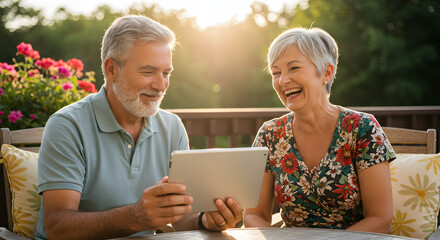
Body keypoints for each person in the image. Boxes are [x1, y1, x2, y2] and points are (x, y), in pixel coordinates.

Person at [34, 15, 242, 240]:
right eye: (148, 72)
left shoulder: (172, 127)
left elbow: (182, 219)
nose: (160, 85)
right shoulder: (68, 126)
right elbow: (57, 227)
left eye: (166, 73)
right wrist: (135, 217)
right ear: (111, 69)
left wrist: (206, 221)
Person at [244, 27, 395, 233]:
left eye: (294, 68)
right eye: (276, 72)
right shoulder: (270, 134)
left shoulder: (362, 128)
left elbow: (381, 219)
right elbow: (254, 215)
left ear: (327, 72)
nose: (282, 80)